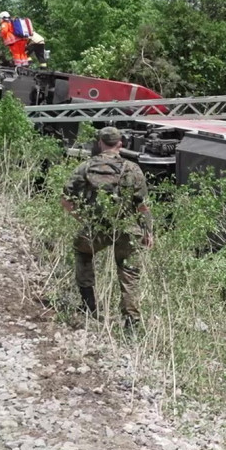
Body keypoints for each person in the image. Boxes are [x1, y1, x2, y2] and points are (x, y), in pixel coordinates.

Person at [60, 127, 154, 328]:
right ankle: (132, 323)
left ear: (100, 143)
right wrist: (148, 231)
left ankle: (89, 305)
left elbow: (66, 200)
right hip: (128, 229)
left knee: (82, 251)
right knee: (128, 274)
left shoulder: (86, 166)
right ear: (120, 144)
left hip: (98, 228)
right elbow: (142, 204)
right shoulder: (132, 169)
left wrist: (84, 219)